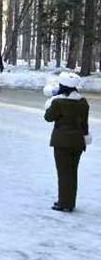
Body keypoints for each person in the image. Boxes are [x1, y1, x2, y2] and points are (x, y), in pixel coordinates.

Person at [44, 73, 90, 213]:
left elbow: (48, 117)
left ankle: (65, 203)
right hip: (78, 141)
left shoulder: (58, 102)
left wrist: (50, 103)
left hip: (62, 142)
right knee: (72, 172)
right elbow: (85, 123)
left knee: (64, 173)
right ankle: (70, 201)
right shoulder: (83, 102)